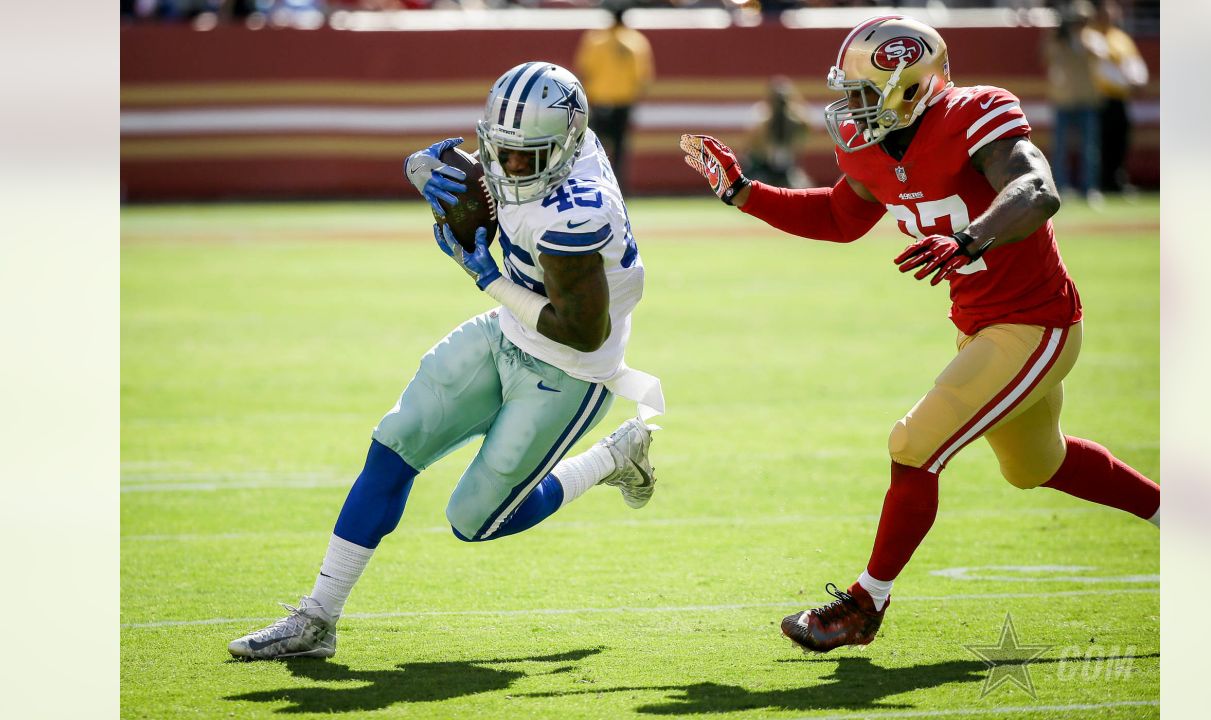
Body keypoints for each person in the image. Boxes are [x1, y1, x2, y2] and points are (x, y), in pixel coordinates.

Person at [679, 15, 1158, 653]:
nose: (850, 105)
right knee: (1037, 465)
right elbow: (838, 217)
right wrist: (744, 192)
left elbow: (1037, 190)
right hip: (983, 327)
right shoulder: (870, 143)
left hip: (1036, 322)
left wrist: (968, 238)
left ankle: (862, 605)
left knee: (914, 443)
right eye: (846, 89)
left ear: (914, 87)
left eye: (865, 91)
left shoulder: (975, 112)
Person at [228, 61, 664, 660]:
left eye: (523, 158)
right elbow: (486, 171)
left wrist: (489, 280)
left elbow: (583, 333)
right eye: (498, 150)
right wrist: (426, 169)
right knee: (394, 444)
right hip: (507, 334)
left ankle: (611, 458)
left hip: (568, 369)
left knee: (475, 519)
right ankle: (317, 618)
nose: (505, 167)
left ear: (562, 150)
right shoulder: (554, 140)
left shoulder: (576, 213)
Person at [573, 3, 655, 193]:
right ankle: (618, 189)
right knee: (619, 150)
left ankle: (592, 184)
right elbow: (643, 79)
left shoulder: (595, 40)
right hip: (623, 103)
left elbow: (584, 71)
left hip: (599, 102)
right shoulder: (636, 42)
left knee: (592, 148)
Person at [1043, 0, 1104, 205]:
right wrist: (1063, 39)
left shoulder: (1091, 38)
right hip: (1064, 99)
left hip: (1086, 98)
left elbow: (1099, 54)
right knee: (1060, 147)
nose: (1078, 24)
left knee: (1089, 148)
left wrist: (1079, 41)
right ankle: (1061, 186)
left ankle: (1089, 188)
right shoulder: (1058, 40)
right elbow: (1048, 57)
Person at [1085, 0, 1149, 194]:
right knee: (1100, 142)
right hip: (1099, 99)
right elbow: (1105, 63)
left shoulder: (1121, 38)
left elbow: (1133, 63)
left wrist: (1138, 79)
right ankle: (1101, 181)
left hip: (1120, 98)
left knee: (1119, 140)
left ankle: (1117, 179)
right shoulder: (1090, 34)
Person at [743, 76, 812, 189]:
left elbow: (807, 129)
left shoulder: (795, 117)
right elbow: (753, 144)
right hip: (761, 166)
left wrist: (792, 113)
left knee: (803, 191)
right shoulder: (762, 114)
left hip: (785, 169)